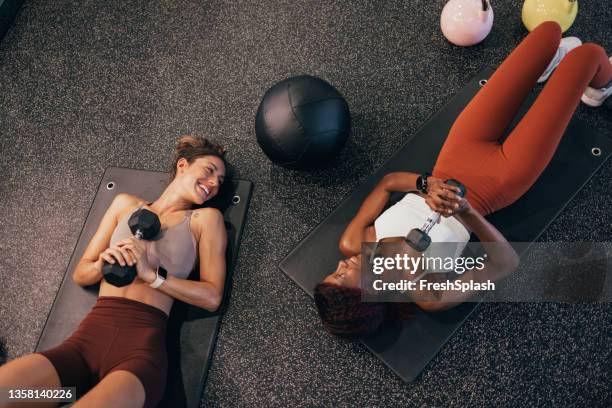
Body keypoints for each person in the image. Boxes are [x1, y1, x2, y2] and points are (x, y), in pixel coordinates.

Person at [315, 21, 612, 337]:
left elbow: (388, 183)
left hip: (455, 155)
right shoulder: (428, 294)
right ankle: (601, 87)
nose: (342, 265)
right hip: (498, 183)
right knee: (589, 56)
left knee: (548, 32)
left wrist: (425, 184)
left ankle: (548, 64)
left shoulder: (352, 242)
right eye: (343, 277)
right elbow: (505, 264)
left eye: (334, 271)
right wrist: (465, 211)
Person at [0, 135, 231, 408]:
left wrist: (151, 275)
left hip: (139, 357)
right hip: (83, 351)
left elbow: (211, 296)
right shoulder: (124, 205)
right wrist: (101, 263)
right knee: (9, 395)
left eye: (221, 181)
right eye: (209, 170)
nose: (215, 183)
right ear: (183, 165)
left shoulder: (205, 220)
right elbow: (81, 274)